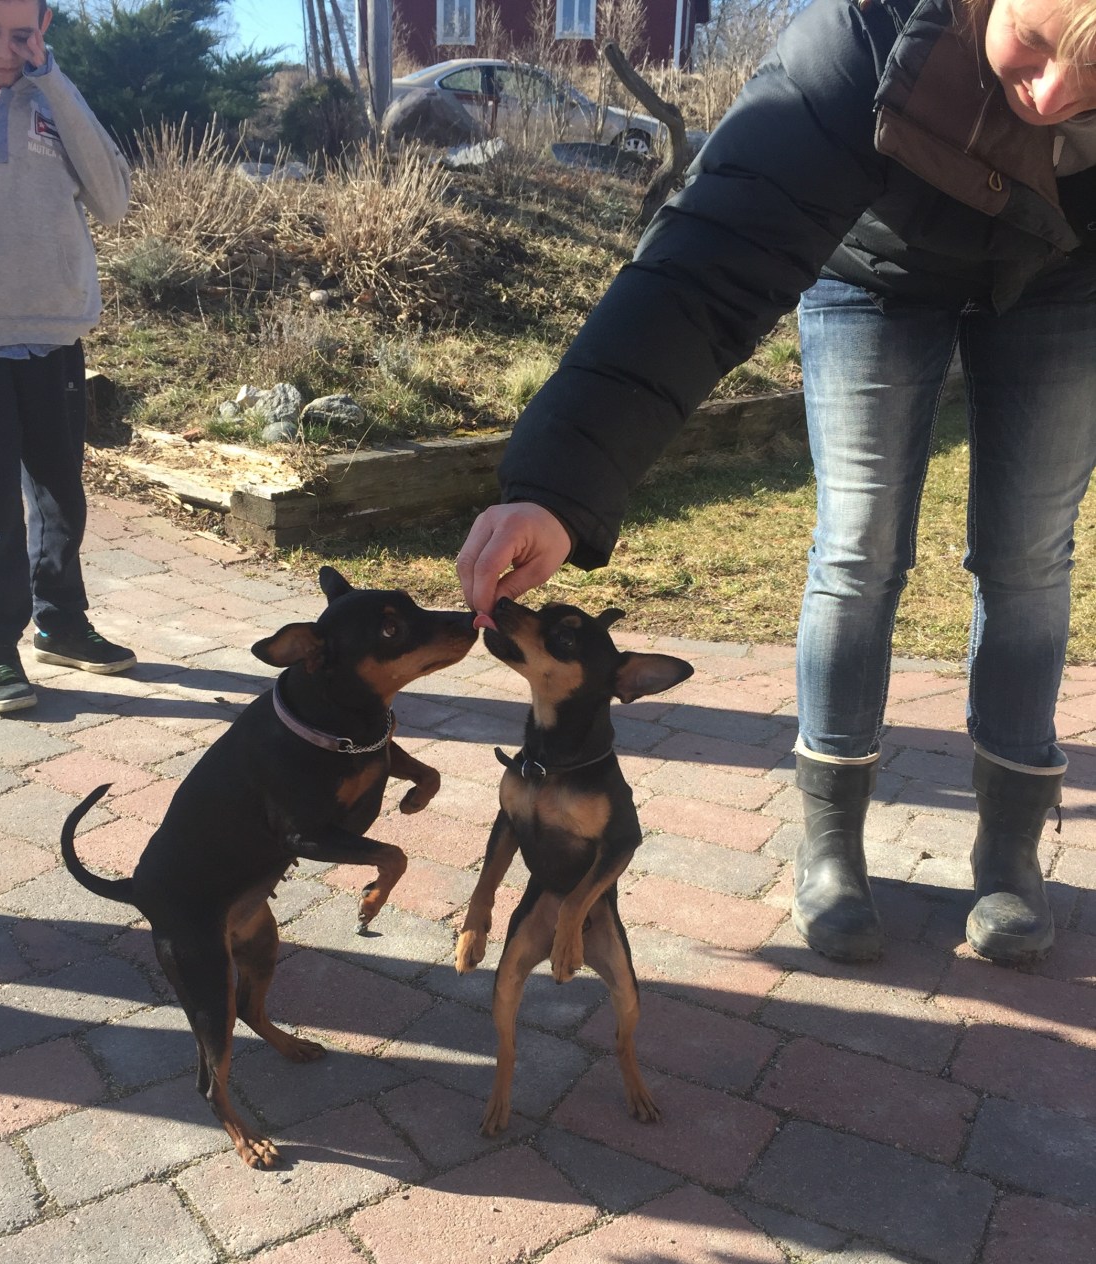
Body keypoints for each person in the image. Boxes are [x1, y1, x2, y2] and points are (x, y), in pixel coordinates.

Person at [457, 0, 1096, 967]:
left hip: (1066, 284)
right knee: (858, 546)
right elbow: (710, 258)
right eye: (1037, 45)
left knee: (1029, 556)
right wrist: (556, 482)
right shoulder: (869, 35)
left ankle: (1010, 848)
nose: (1051, 97)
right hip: (872, 269)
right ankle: (830, 839)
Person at [0, 0, 134, 714]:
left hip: (55, 327)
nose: (5, 49)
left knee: (60, 495)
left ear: (44, 28)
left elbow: (113, 198)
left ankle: (60, 623)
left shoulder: (55, 97)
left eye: (22, 34)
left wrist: (55, 86)